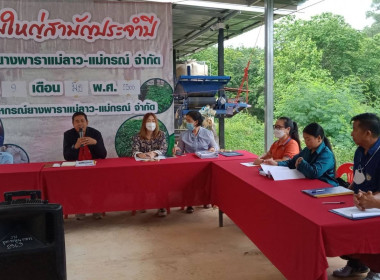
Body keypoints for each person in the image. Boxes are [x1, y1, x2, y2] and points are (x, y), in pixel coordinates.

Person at [333, 113, 380, 279]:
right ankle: (355, 264)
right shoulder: (360, 151)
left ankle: (376, 270)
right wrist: (346, 190)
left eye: (354, 129)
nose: (352, 133)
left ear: (367, 133)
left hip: (375, 206)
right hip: (358, 202)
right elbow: (358, 176)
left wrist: (371, 200)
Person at [63, 112, 107, 220]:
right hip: (76, 168)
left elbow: (103, 155)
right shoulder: (68, 135)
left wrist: (95, 143)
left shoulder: (95, 133)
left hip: (93, 168)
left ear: (87, 122)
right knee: (66, 184)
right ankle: (80, 208)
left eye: (82, 121)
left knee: (103, 181)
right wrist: (75, 146)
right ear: (73, 124)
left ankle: (96, 208)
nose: (80, 124)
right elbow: (67, 156)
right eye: (77, 122)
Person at [264, 122, 338, 186]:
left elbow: (314, 173)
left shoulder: (327, 155)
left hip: (326, 186)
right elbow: (291, 162)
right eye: (305, 139)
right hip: (309, 184)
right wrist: (277, 164)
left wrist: (301, 163)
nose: (306, 142)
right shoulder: (307, 150)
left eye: (308, 139)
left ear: (319, 138)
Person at [173, 111, 218, 213]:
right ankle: (190, 203)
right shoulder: (183, 135)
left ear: (196, 122)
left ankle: (205, 200)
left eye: (189, 120)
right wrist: (176, 149)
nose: (186, 122)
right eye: (186, 120)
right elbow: (180, 150)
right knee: (188, 182)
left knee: (205, 181)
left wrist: (212, 149)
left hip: (204, 163)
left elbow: (215, 146)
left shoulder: (207, 133)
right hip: (189, 165)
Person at [131, 113, 168, 217]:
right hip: (142, 168)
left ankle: (161, 206)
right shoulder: (137, 136)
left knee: (161, 182)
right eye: (148, 120)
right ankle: (142, 204)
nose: (151, 123)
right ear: (144, 123)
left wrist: (154, 153)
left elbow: (163, 149)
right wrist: (141, 155)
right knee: (140, 181)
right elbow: (134, 150)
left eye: (153, 121)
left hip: (157, 167)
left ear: (156, 123)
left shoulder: (161, 134)